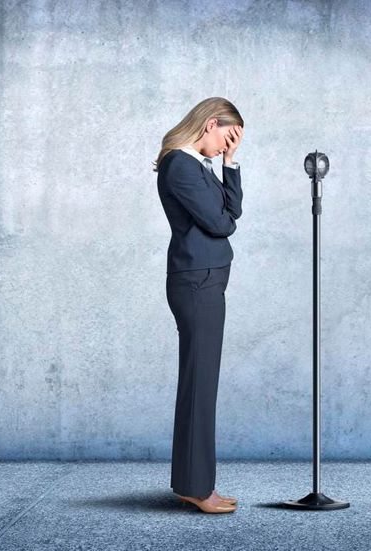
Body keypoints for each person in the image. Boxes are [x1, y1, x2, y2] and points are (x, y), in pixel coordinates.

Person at [154, 97, 244, 514]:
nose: (227, 146)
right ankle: (196, 486)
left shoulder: (198, 165)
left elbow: (232, 211)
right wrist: (225, 213)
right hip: (196, 283)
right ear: (210, 123)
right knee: (199, 384)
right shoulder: (181, 165)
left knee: (201, 383)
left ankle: (195, 482)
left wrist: (231, 163)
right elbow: (222, 223)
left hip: (204, 281)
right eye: (227, 137)